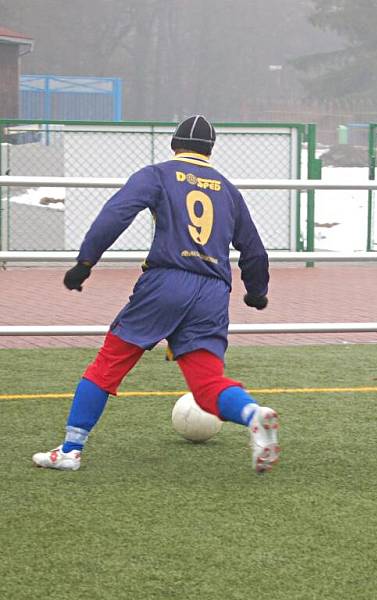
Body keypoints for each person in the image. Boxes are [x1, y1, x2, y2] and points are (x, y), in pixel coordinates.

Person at [32, 115, 280, 474]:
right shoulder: (227, 189)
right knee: (208, 384)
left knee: (109, 363)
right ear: (211, 151)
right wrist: (257, 292)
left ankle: (71, 450)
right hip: (213, 291)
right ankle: (253, 414)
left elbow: (116, 213)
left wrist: (86, 261)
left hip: (166, 281)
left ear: (173, 144)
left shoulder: (158, 174)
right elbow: (254, 249)